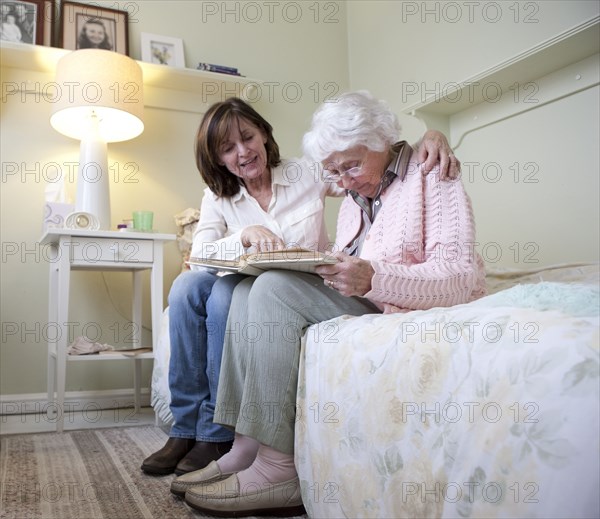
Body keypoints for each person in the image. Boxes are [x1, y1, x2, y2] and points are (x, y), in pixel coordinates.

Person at [174, 91, 486, 517]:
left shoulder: (432, 174)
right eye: (335, 172)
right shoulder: (353, 197)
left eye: (351, 166)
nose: (343, 181)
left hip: (394, 301)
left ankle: (279, 469)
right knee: (244, 290)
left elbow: (461, 279)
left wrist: (374, 276)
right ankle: (246, 445)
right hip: (362, 295)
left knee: (270, 290)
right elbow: (204, 253)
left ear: (383, 143)